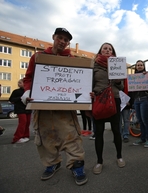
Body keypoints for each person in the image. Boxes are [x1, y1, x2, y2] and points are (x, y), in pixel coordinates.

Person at [22, 28, 88, 185]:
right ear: (53, 37)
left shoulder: (72, 59)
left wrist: (86, 95)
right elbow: (28, 78)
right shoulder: (38, 57)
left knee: (72, 137)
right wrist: (27, 92)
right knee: (46, 139)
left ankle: (77, 165)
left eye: (66, 40)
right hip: (43, 108)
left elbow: (81, 81)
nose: (63, 42)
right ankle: (52, 163)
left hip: (65, 110)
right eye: (60, 38)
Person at [91, 42, 125, 175]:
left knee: (116, 130)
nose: (107, 50)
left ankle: (119, 156)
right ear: (100, 50)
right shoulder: (94, 66)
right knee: (98, 132)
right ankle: (99, 161)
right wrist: (91, 93)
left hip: (114, 100)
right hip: (99, 100)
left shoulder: (117, 66)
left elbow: (121, 87)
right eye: (105, 48)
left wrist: (117, 81)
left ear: (113, 53)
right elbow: (89, 83)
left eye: (110, 49)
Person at [132, 60, 148, 148]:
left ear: (143, 66)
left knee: (145, 120)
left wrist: (147, 75)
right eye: (138, 65)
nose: (139, 66)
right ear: (136, 67)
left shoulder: (146, 75)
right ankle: (142, 138)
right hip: (136, 100)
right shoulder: (132, 77)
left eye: (141, 65)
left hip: (144, 99)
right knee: (140, 120)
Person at [9, 79, 31, 143]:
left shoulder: (29, 91)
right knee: (23, 122)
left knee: (27, 122)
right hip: (20, 109)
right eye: (18, 82)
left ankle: (25, 135)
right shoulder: (16, 91)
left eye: (21, 82)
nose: (19, 83)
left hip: (27, 108)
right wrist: (21, 98)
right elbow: (11, 99)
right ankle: (17, 137)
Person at [120, 79, 133, 143]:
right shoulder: (113, 79)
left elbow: (131, 90)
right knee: (118, 121)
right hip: (117, 103)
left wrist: (129, 101)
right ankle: (118, 136)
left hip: (126, 104)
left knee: (126, 120)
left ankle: (125, 135)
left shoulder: (128, 80)